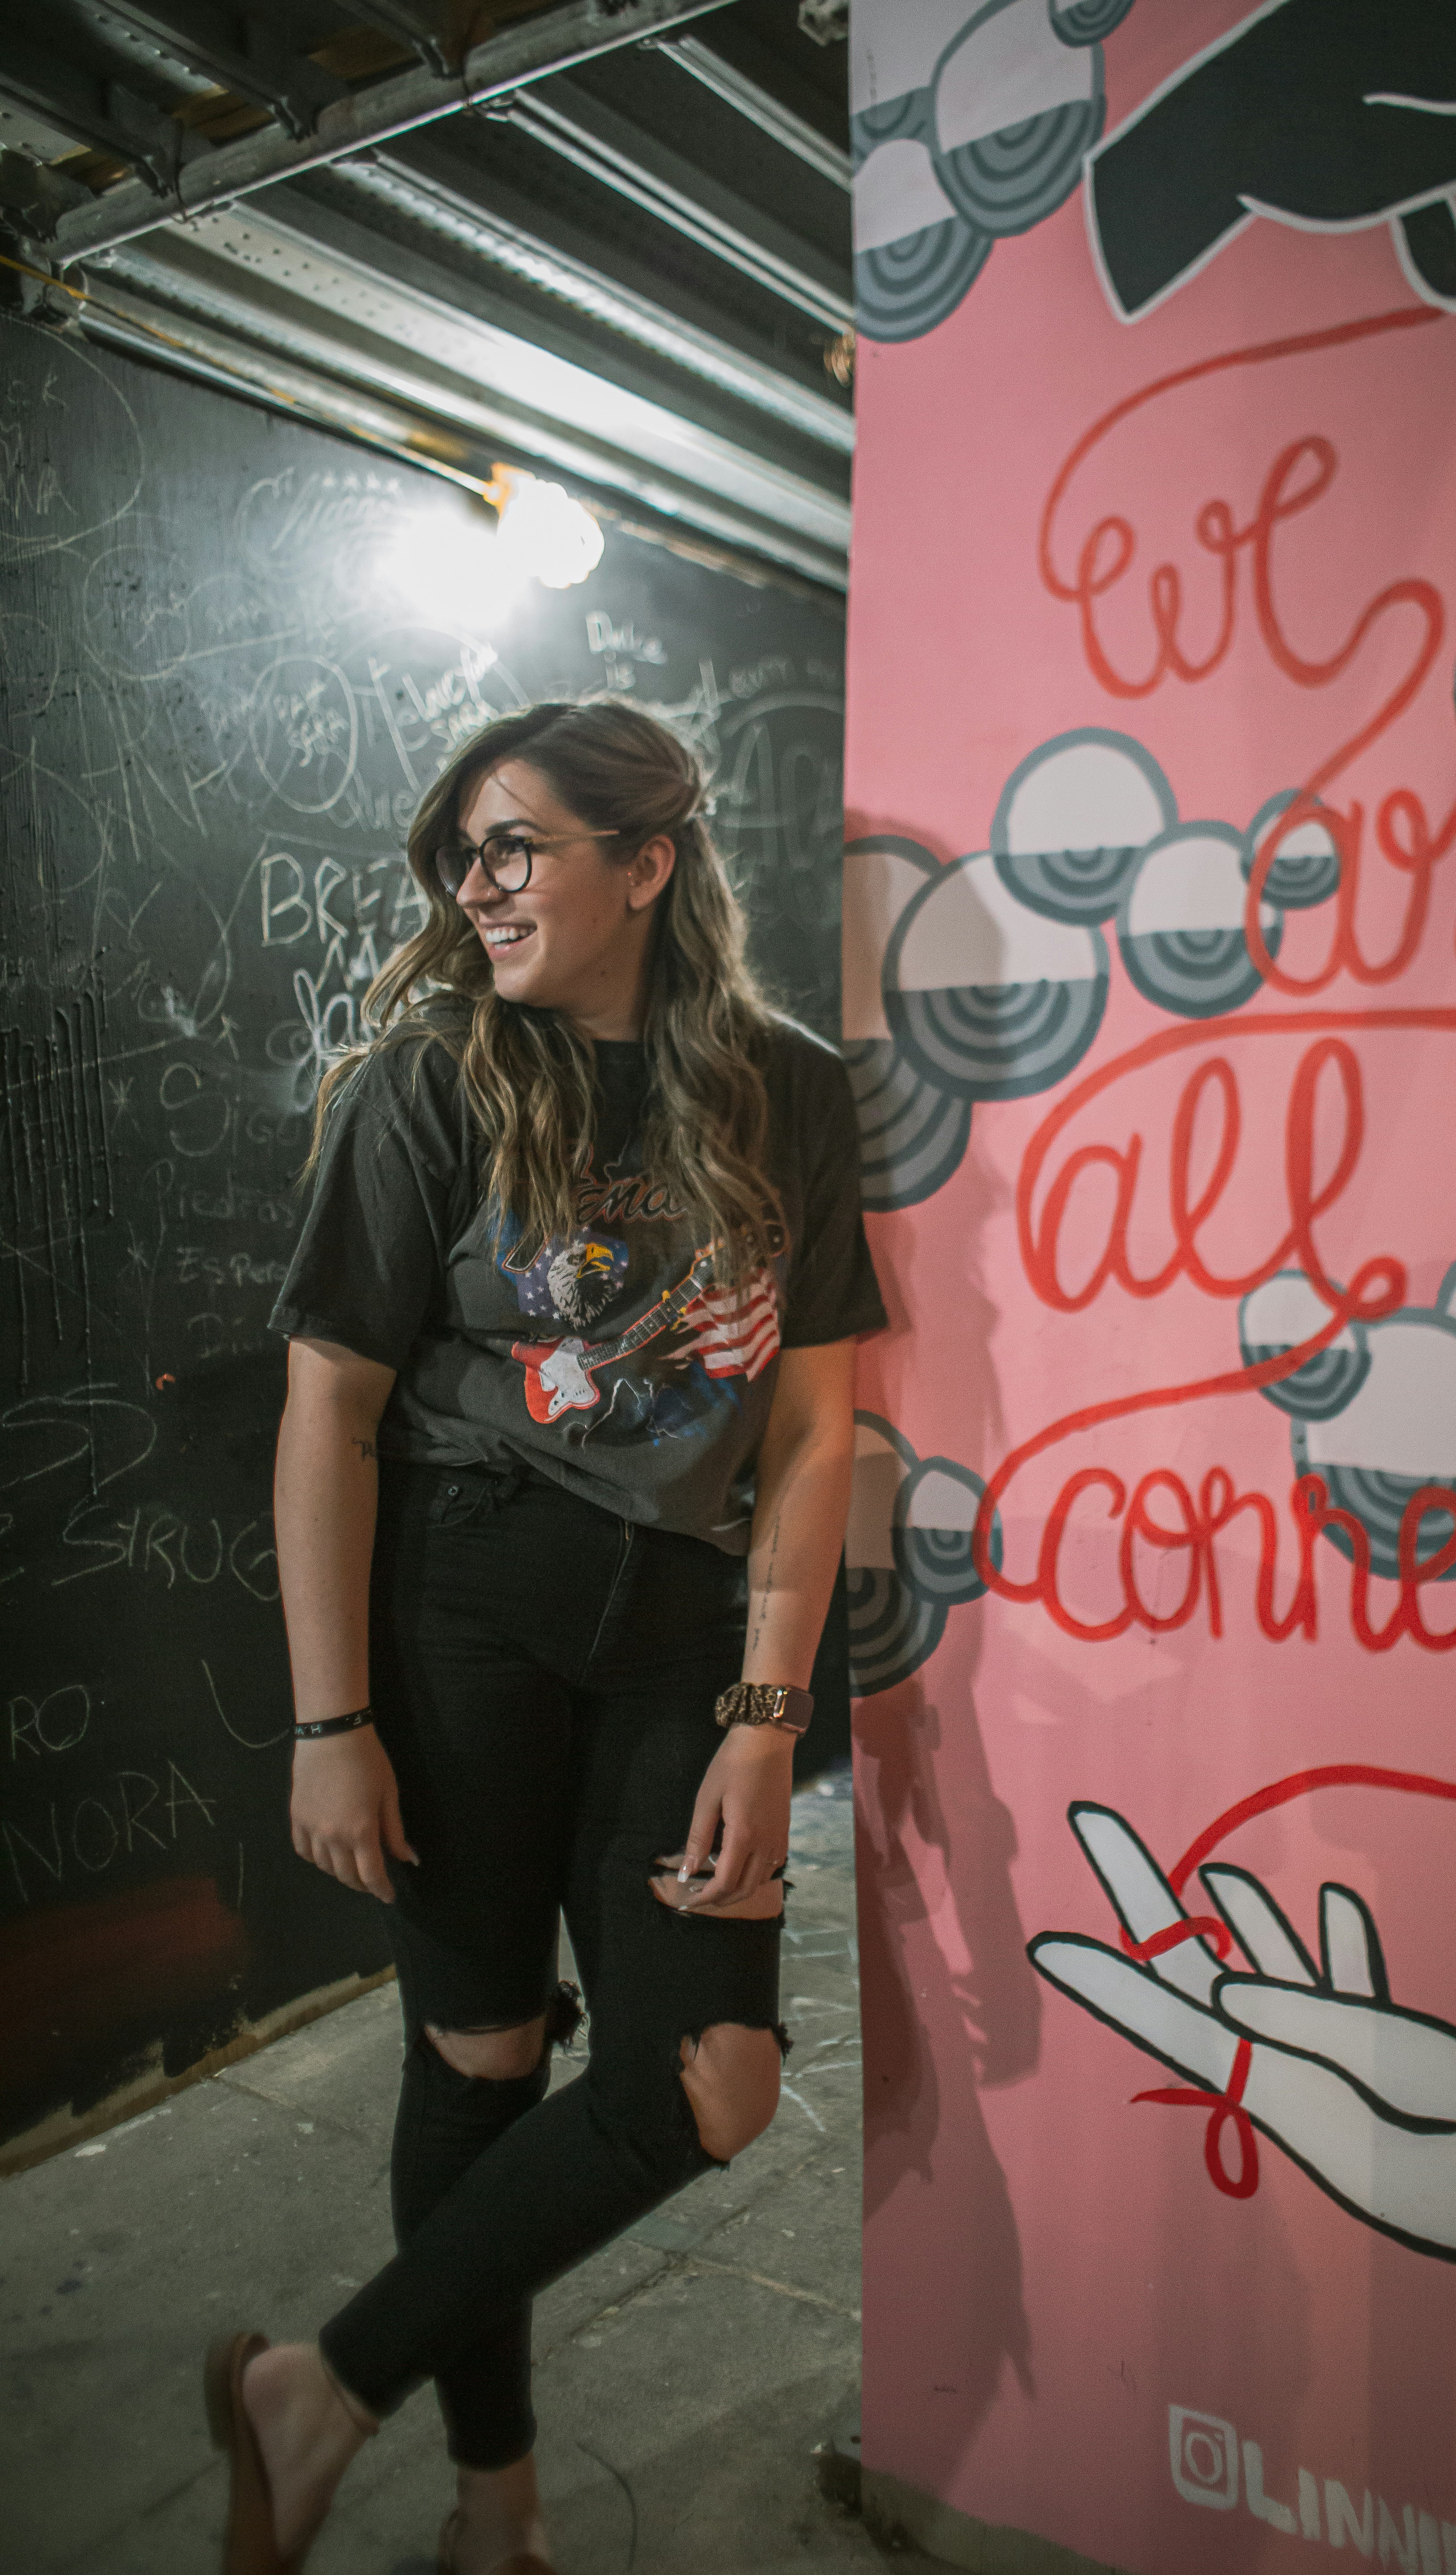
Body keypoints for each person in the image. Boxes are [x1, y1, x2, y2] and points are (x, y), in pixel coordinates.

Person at [205, 697, 886, 2575]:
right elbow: (326, 1412)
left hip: (678, 1626)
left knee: (709, 2085)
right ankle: (491, 2509)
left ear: (647, 862)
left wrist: (769, 1716)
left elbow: (821, 1428)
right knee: (486, 2060)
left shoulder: (788, 1092)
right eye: (464, 856)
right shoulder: (430, 1084)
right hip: (459, 1607)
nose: (477, 886)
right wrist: (328, 1717)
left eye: (516, 848)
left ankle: (316, 2389)